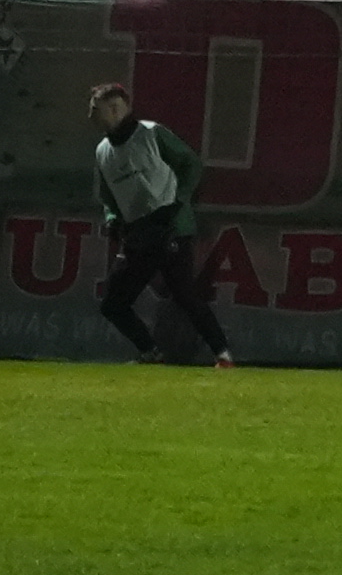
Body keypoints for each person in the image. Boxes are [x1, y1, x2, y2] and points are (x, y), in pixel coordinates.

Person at [86, 82, 233, 367]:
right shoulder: (103, 150)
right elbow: (108, 196)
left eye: (108, 108)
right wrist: (113, 220)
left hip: (171, 227)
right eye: (98, 109)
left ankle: (223, 355)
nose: (98, 115)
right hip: (138, 234)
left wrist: (177, 204)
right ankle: (151, 352)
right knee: (113, 305)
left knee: (184, 295)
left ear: (122, 107)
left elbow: (191, 164)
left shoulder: (152, 134)